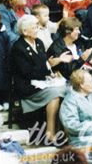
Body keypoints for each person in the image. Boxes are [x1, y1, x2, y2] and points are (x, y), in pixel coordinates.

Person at [10, 15, 64, 144]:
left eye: (37, 26)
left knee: (65, 89)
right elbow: (27, 72)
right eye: (34, 27)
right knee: (55, 94)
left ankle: (62, 131)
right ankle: (50, 133)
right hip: (26, 86)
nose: (37, 29)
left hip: (41, 81)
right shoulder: (18, 48)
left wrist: (50, 73)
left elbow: (43, 63)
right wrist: (48, 66)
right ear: (25, 31)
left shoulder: (38, 42)